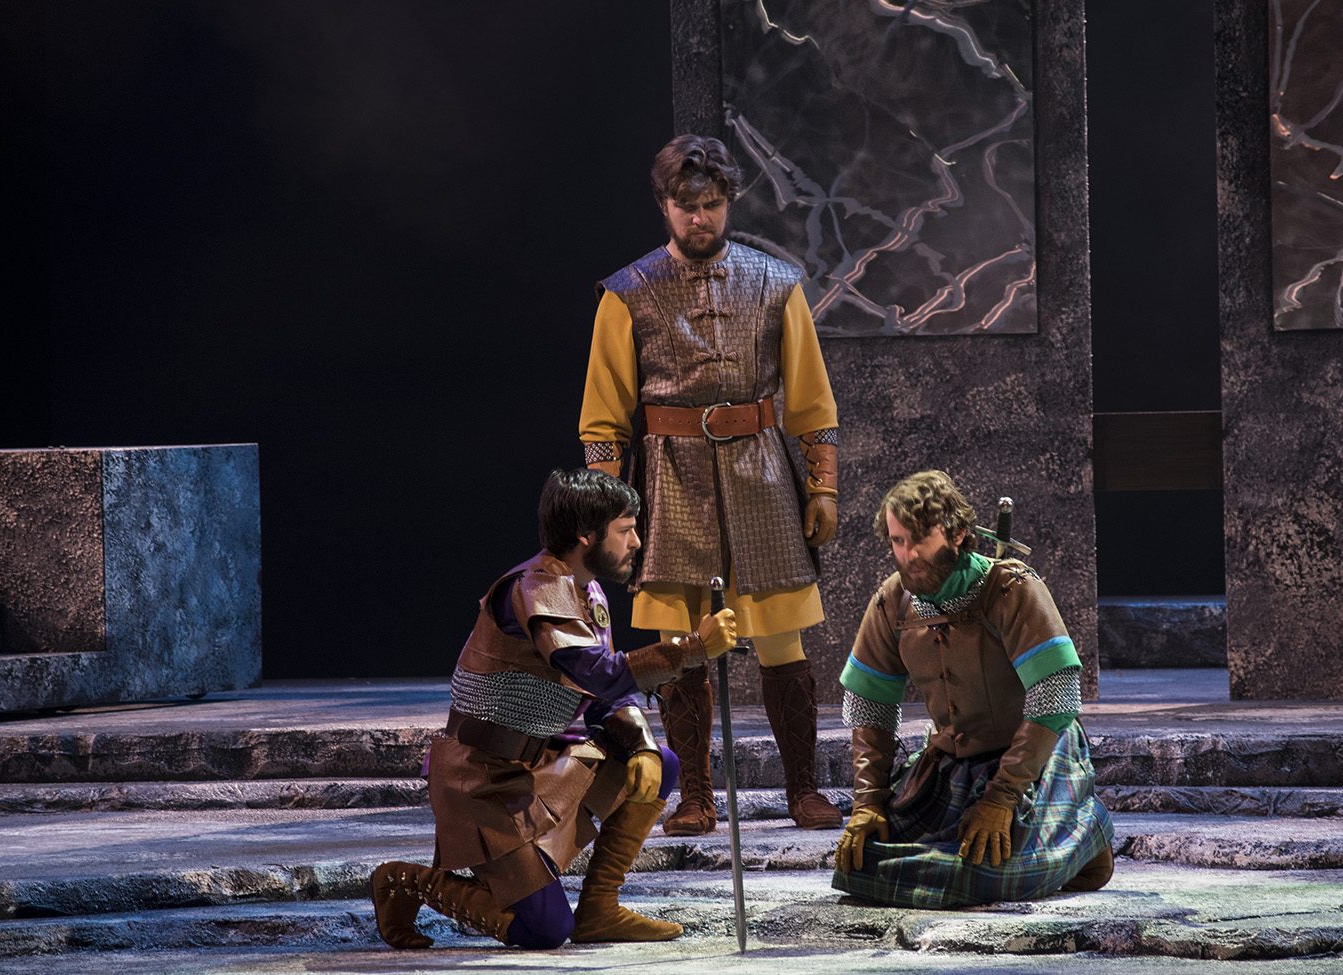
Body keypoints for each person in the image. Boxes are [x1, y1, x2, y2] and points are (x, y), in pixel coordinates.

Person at [579, 133, 842, 834]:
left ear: (730, 202)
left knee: (783, 643)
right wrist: (608, 514)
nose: (700, 218)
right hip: (671, 481)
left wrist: (822, 486)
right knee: (681, 648)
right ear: (663, 206)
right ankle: (694, 795)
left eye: (713, 204)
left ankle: (803, 790)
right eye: (686, 206)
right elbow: (604, 417)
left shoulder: (777, 283)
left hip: (762, 475)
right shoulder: (627, 293)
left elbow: (811, 400)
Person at [370, 468, 737, 950]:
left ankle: (599, 908)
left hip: (540, 764)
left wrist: (644, 743)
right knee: (543, 931)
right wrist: (693, 648)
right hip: (482, 780)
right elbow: (597, 673)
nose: (636, 542)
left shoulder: (588, 591)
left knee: (658, 761)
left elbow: (605, 694)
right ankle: (405, 881)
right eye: (625, 530)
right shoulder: (536, 588)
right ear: (586, 535)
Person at [831, 470, 1114, 908]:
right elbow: (870, 705)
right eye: (898, 541)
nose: (907, 555)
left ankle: (1084, 829)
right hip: (952, 767)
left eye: (919, 540)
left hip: (1032, 758)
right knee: (858, 865)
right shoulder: (892, 601)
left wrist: (1002, 798)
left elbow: (1055, 697)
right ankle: (1052, 849)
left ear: (957, 533)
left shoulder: (1011, 588)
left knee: (994, 875)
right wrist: (868, 802)